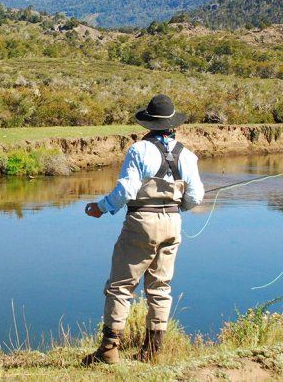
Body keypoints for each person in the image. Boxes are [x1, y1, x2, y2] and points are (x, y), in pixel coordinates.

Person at [82, 94, 204, 365]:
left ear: (148, 123)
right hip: (173, 223)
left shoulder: (139, 150)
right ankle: (151, 352)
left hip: (141, 222)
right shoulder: (188, 155)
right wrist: (175, 207)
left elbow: (126, 191)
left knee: (120, 286)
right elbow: (195, 198)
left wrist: (101, 207)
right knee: (160, 287)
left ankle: (109, 350)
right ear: (173, 124)